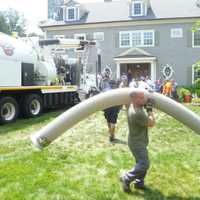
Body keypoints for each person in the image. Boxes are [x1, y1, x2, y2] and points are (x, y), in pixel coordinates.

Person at [120, 91, 155, 192]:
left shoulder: (132, 106)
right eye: (141, 98)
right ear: (134, 99)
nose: (144, 99)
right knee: (144, 164)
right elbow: (152, 123)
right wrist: (150, 110)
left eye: (143, 97)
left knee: (140, 163)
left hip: (135, 140)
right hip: (137, 142)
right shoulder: (138, 113)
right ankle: (126, 178)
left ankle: (139, 183)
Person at [99, 71, 120, 142]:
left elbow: (100, 100)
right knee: (113, 122)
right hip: (114, 108)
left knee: (108, 121)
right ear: (114, 84)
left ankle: (111, 133)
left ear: (109, 84)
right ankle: (112, 135)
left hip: (107, 108)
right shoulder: (118, 91)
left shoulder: (105, 91)